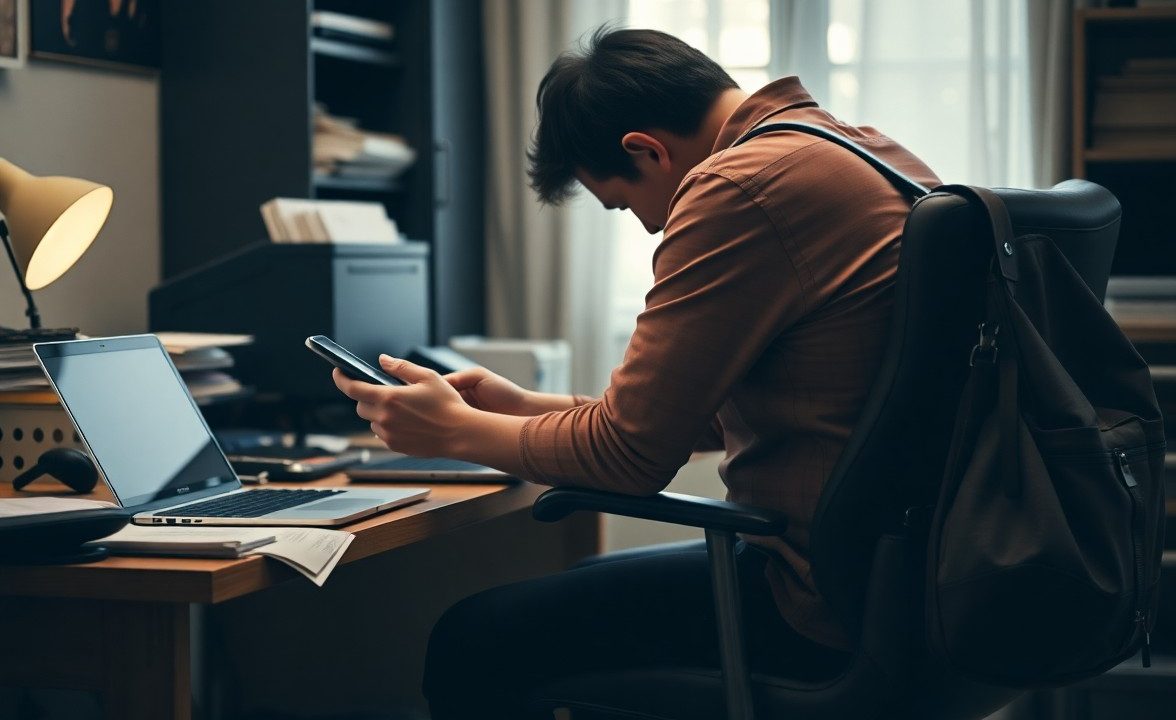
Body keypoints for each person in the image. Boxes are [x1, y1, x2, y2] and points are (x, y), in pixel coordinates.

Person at [331, 27, 940, 719]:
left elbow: (629, 458)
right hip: (916, 582)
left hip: (821, 604)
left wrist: (453, 432)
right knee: (585, 583)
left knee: (472, 638)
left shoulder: (739, 187)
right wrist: (522, 407)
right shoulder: (862, 152)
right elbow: (736, 405)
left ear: (645, 150)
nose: (651, 229)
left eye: (623, 204)